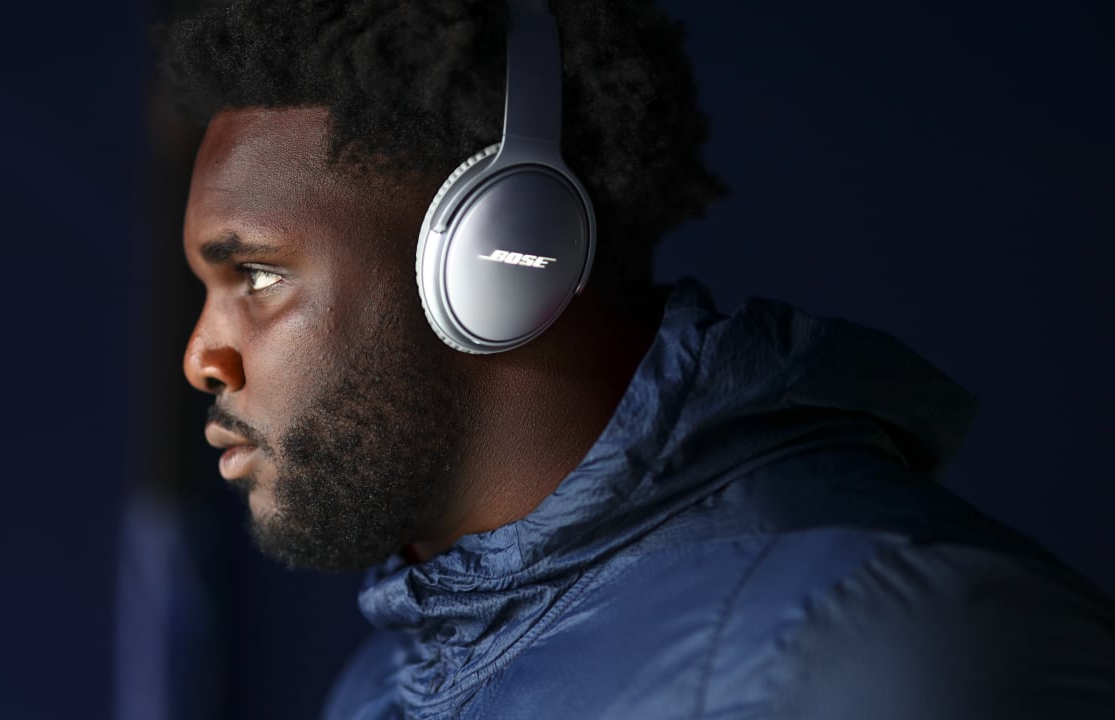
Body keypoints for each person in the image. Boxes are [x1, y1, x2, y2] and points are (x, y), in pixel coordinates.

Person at [161, 0, 1115, 717]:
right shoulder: (383, 684)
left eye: (256, 272)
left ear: (499, 258)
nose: (204, 356)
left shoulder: (885, 645)